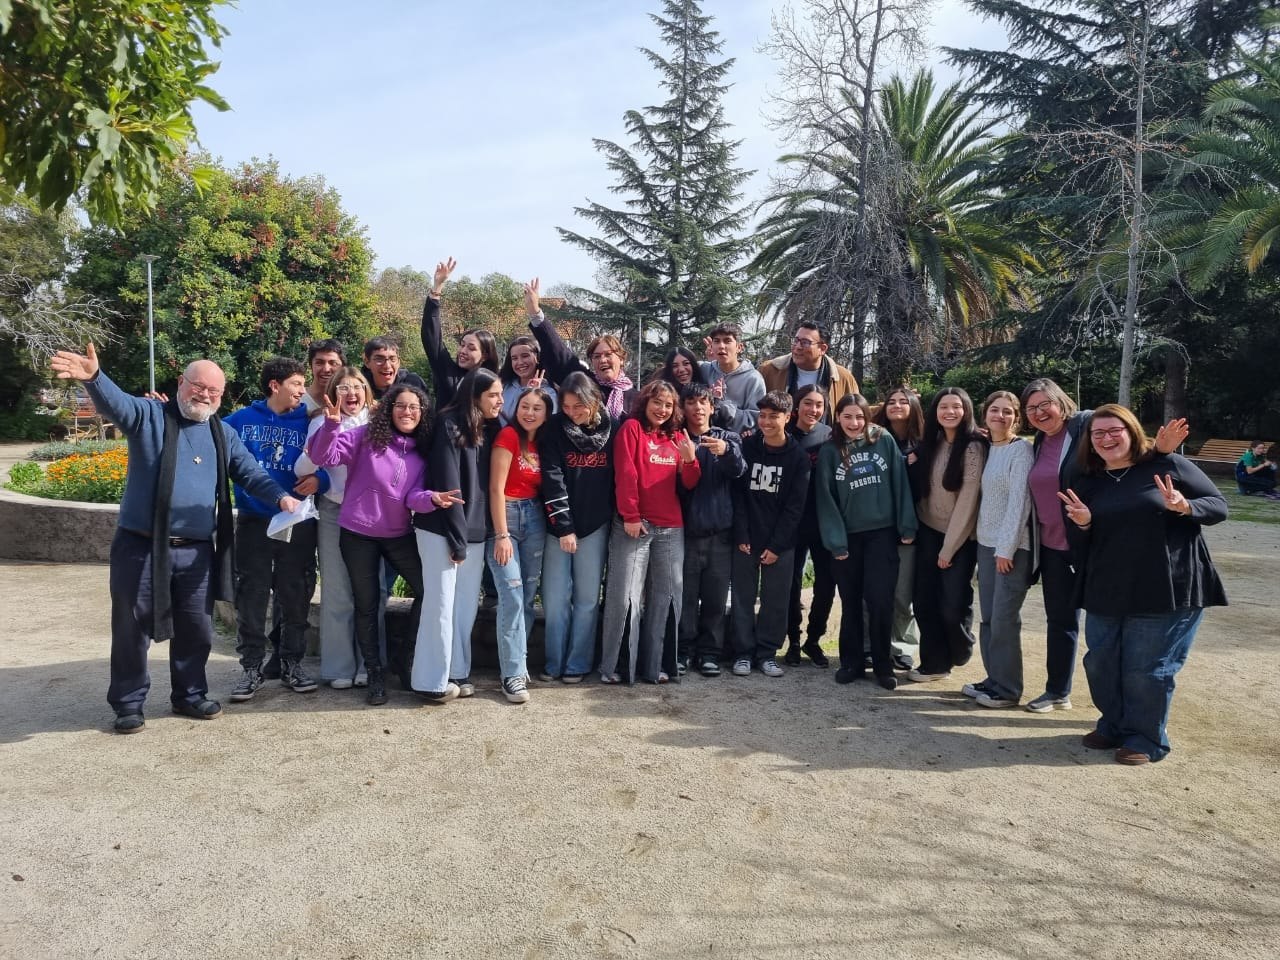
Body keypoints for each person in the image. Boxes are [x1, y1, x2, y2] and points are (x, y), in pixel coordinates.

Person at [50, 344, 300, 734]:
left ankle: (189, 694)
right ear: (182, 382)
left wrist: (281, 497)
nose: (204, 395)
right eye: (198, 386)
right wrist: (94, 378)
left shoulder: (222, 433)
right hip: (142, 546)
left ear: (221, 396)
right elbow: (117, 404)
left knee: (196, 628)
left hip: (196, 551)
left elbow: (250, 472)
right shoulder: (150, 416)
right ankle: (129, 703)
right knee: (132, 629)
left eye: (213, 391)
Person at [1058, 404, 1227, 764]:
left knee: (1146, 669)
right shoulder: (1085, 480)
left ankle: (1146, 737)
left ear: (1132, 432)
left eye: (1114, 430)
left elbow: (1218, 506)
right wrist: (1084, 524)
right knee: (1101, 663)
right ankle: (1114, 724)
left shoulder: (1167, 465)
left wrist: (1184, 506)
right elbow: (1078, 542)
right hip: (1106, 586)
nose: (1106, 438)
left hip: (1165, 586)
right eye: (1098, 433)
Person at [1020, 378, 1188, 713]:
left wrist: (1161, 451)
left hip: (1095, 543)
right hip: (1053, 546)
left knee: (1110, 627)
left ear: (1061, 402)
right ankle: (1057, 691)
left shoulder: (1086, 425)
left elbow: (1126, 451)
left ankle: (1126, 709)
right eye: (1031, 408)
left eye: (1045, 404)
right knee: (1060, 620)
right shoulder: (1040, 440)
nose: (1039, 412)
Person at [307, 382, 461, 705]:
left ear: (423, 413)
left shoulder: (421, 451)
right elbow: (322, 455)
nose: (407, 412)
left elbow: (412, 497)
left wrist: (432, 499)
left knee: (429, 591)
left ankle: (405, 660)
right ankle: (375, 673)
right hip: (357, 533)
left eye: (414, 407)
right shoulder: (365, 436)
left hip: (398, 534)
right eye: (401, 405)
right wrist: (331, 425)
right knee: (367, 603)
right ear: (389, 409)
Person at [224, 357, 328, 702]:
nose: (302, 390)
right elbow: (204, 436)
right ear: (275, 385)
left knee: (296, 595)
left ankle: (291, 663)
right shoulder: (240, 420)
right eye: (296, 384)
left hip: (299, 522)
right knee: (251, 595)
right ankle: (251, 667)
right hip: (254, 521)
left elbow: (333, 461)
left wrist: (321, 479)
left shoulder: (310, 421)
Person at [599, 380, 701, 684]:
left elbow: (690, 482)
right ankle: (617, 667)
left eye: (669, 405)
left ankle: (657, 665)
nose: (662, 409)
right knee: (624, 598)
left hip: (670, 528)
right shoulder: (631, 429)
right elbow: (626, 473)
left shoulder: (677, 437)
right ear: (645, 402)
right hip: (634, 525)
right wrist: (630, 515)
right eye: (657, 402)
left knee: (667, 598)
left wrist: (690, 458)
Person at [412, 367, 503, 700]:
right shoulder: (448, 425)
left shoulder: (489, 427)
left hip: (475, 532)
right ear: (474, 397)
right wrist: (457, 540)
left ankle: (457, 671)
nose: (500, 401)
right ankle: (431, 682)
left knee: (465, 608)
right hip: (443, 531)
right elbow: (449, 487)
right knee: (440, 605)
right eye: (493, 395)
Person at [815, 393, 916, 690]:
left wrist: (906, 524)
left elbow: (900, 482)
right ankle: (852, 662)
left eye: (859, 416)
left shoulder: (883, 441)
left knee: (881, 601)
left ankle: (883, 665)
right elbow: (825, 498)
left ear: (867, 417)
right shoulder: (830, 451)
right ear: (838, 417)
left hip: (882, 534)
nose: (854, 422)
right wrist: (836, 541)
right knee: (851, 603)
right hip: (847, 538)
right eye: (847, 416)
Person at [293, 366, 375, 689]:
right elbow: (302, 467)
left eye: (357, 387)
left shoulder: (379, 421)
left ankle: (370, 663)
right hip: (334, 511)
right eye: (344, 388)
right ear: (333, 394)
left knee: (371, 592)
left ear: (366, 392)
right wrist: (329, 429)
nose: (351, 394)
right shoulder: (320, 421)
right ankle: (339, 666)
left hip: (373, 515)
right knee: (338, 590)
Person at [539, 372, 617, 683]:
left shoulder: (613, 429)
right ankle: (554, 661)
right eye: (567, 406)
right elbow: (552, 478)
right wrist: (564, 527)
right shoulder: (554, 429)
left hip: (595, 524)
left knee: (587, 599)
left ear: (594, 400)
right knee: (555, 598)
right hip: (557, 526)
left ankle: (578, 663)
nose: (572, 413)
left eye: (578, 406)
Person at [907, 388, 987, 683]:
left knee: (952, 605)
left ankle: (960, 645)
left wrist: (949, 548)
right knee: (924, 601)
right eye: (944, 407)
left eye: (956, 406)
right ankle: (934, 664)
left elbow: (968, 501)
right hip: (927, 530)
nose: (950, 412)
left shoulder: (973, 447)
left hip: (960, 538)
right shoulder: (933, 442)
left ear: (966, 410)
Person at [730, 391, 810, 679]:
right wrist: (741, 534)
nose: (765, 422)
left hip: (781, 543)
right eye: (762, 416)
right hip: (747, 538)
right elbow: (738, 495)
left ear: (788, 417)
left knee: (775, 600)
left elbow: (795, 507)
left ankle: (767, 654)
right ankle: (742, 653)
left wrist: (777, 546)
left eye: (773, 416)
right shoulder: (748, 447)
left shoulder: (798, 458)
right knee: (742, 597)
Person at [677, 382, 746, 678]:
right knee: (685, 597)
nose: (697, 407)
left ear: (712, 406)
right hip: (686, 532)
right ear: (683, 408)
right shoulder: (676, 437)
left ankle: (710, 653)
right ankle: (682, 650)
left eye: (703, 402)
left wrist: (726, 451)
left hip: (720, 532)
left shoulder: (727, 437)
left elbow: (739, 471)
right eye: (691, 402)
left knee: (716, 598)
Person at [970, 391, 1034, 709]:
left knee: (1004, 619)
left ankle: (1008, 689)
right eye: (994, 410)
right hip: (985, 543)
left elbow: (1020, 502)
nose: (1000, 416)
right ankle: (993, 678)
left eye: (1007, 411)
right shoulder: (986, 447)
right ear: (985, 415)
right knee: (989, 618)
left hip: (1011, 548)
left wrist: (1006, 549)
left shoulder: (1021, 450)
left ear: (1016, 418)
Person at [488, 388, 551, 702]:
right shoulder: (509, 436)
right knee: (511, 595)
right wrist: (501, 535)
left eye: (537, 408)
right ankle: (511, 675)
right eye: (525, 406)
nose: (530, 413)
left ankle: (519, 662)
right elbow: (495, 488)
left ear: (546, 413)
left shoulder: (542, 442)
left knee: (526, 596)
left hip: (535, 518)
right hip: (507, 520)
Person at [871, 386, 926, 669]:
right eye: (891, 401)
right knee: (873, 591)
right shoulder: (873, 438)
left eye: (903, 401)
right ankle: (871, 645)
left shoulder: (925, 442)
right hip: (876, 524)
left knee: (903, 594)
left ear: (914, 405)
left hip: (910, 527)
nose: (896, 405)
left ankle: (902, 646)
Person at [525, 278, 637, 418]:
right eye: (596, 356)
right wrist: (535, 313)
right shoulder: (586, 384)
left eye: (608, 354)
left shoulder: (639, 399)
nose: (602, 360)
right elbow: (559, 353)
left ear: (621, 359)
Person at [783, 384, 834, 668]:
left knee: (826, 583)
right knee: (791, 584)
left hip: (824, 521)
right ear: (797, 405)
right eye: (807, 403)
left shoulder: (831, 436)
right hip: (792, 522)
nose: (813, 409)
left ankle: (813, 639)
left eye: (819, 405)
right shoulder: (784, 434)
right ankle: (792, 639)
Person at [420, 256, 500, 409]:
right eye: (462, 345)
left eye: (471, 348)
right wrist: (437, 288)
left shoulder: (494, 384)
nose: (463, 351)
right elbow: (432, 338)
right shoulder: (449, 375)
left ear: (485, 355)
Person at [759, 321, 859, 423]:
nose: (798, 347)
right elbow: (756, 410)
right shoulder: (770, 371)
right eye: (796, 340)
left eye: (805, 342)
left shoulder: (842, 378)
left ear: (822, 349)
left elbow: (857, 413)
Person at [697, 323, 766, 435]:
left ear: (739, 347)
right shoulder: (704, 369)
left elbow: (757, 416)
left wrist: (721, 406)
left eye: (727, 341)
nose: (721, 346)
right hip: (703, 437)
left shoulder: (753, 378)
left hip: (737, 440)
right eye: (716, 341)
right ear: (711, 346)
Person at [656, 347, 733, 429]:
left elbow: (717, 424)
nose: (681, 369)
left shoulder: (704, 390)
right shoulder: (665, 394)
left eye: (686, 363)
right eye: (675, 366)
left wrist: (716, 401)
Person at [498, 335, 556, 424]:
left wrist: (534, 394)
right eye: (514, 358)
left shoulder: (548, 392)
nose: (520, 362)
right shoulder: (504, 386)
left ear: (537, 358)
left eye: (525, 356)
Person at [361, 335, 427, 402]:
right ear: (367, 362)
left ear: (398, 362)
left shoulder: (413, 383)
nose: (387, 366)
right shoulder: (360, 386)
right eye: (379, 359)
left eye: (392, 359)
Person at [303, 339, 346, 413]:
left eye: (333, 363)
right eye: (319, 363)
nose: (326, 369)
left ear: (343, 368)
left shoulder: (350, 401)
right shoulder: (297, 401)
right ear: (310, 366)